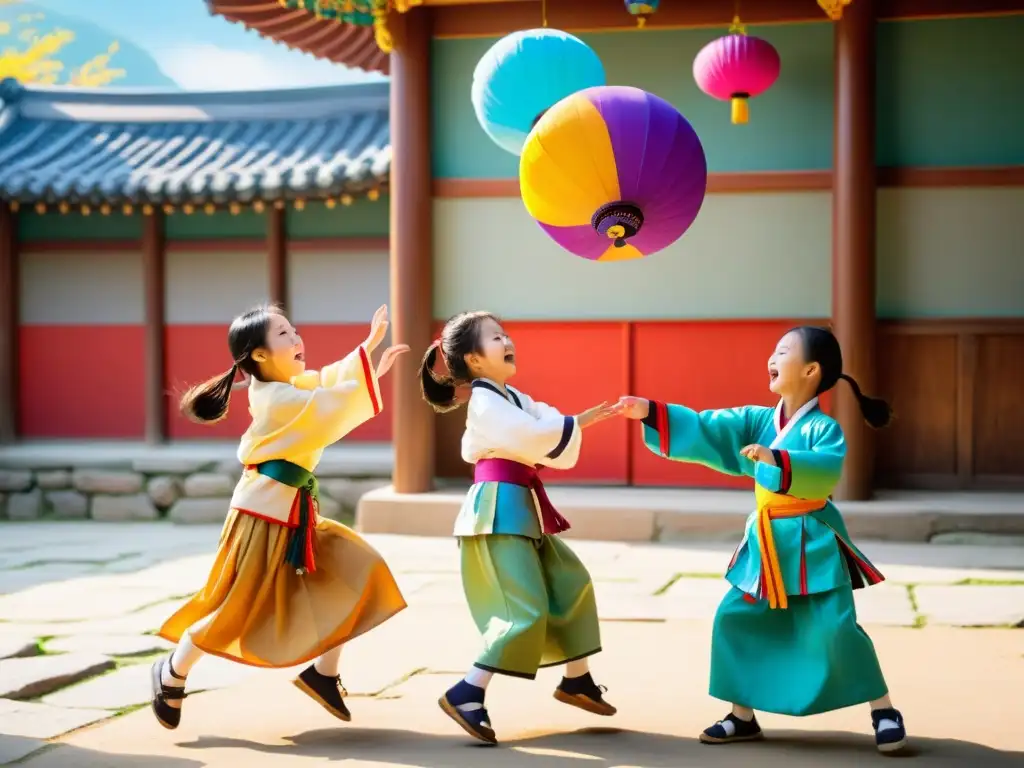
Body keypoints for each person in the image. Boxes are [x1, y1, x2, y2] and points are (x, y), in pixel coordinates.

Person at [617, 326, 908, 755]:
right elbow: (709, 427)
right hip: (767, 540)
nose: (771, 358)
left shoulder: (823, 428)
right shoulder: (759, 419)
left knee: (833, 627)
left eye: (783, 351)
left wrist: (776, 457)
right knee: (735, 617)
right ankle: (742, 715)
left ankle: (883, 710)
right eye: (773, 350)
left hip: (812, 539)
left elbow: (827, 469)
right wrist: (650, 412)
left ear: (811, 370)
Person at [150, 303, 409, 731]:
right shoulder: (277, 398)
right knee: (236, 606)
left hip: (294, 511)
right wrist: (367, 366)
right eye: (284, 335)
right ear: (259, 355)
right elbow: (325, 402)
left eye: (294, 330)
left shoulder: (287, 388)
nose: (297, 339)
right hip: (265, 513)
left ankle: (322, 675)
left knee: (359, 570)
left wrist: (367, 353)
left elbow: (323, 386)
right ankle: (172, 672)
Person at [419, 311, 620, 746]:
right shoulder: (486, 402)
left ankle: (577, 680)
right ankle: (468, 691)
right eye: (496, 337)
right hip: (498, 509)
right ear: (473, 360)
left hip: (520, 506)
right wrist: (576, 423)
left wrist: (571, 423)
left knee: (570, 583)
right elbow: (531, 434)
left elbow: (542, 425)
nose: (507, 340)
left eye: (506, 333)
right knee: (522, 610)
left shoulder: (511, 397)